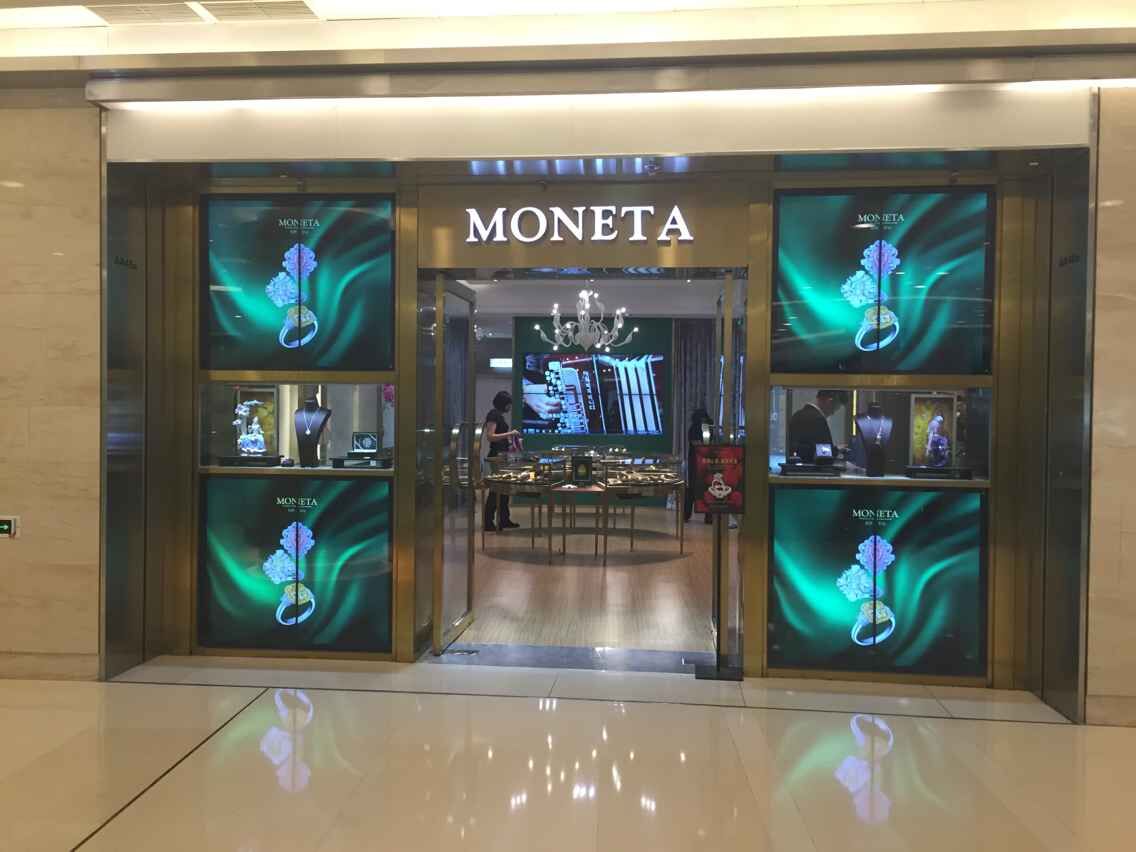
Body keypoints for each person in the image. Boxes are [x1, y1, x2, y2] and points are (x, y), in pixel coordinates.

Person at [483, 390, 521, 532]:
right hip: (496, 457)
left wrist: (510, 442)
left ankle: (504, 519)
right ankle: (488, 521)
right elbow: (490, 436)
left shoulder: (499, 416)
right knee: (496, 489)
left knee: (504, 489)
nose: (510, 407)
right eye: (509, 404)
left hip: (502, 456)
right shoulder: (493, 415)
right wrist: (510, 433)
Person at [787, 390, 844, 463]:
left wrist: (836, 449)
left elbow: (807, 447)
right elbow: (824, 456)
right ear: (829, 402)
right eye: (834, 409)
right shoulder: (818, 419)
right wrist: (836, 451)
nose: (832, 413)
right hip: (812, 467)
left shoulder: (797, 414)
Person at [684, 406, 714, 524]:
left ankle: (686, 515)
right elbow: (706, 443)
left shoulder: (693, 427)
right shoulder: (706, 427)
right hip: (704, 460)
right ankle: (708, 517)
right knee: (707, 488)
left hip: (695, 461)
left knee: (692, 488)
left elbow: (697, 443)